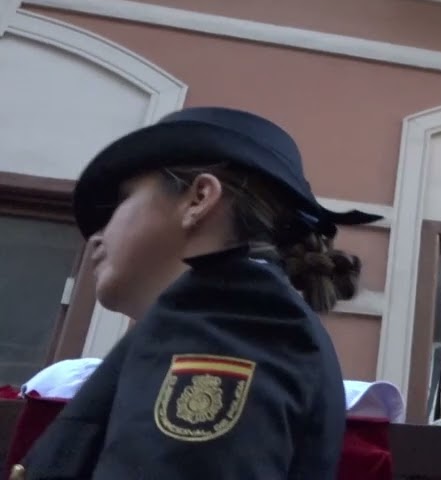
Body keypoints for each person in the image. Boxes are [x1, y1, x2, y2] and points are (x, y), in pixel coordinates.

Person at [10, 107, 381, 480]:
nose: (95, 237)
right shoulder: (235, 317)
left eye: (120, 201)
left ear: (198, 198)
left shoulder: (228, 319)